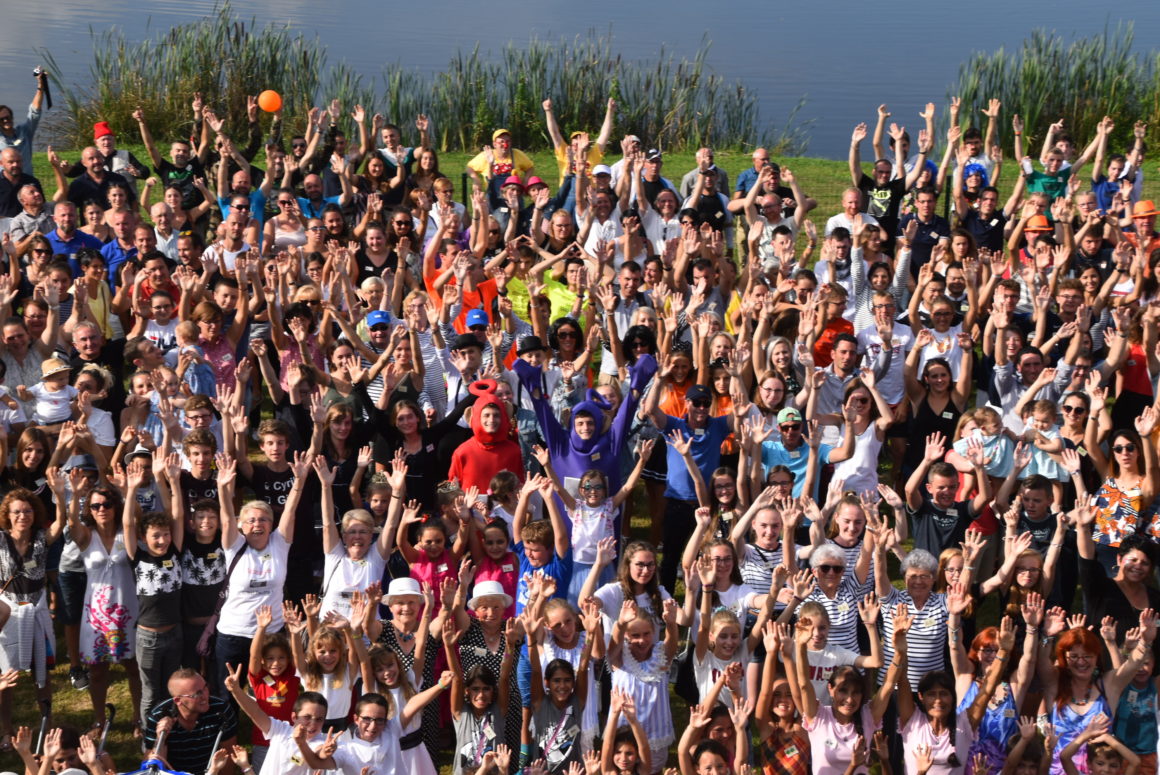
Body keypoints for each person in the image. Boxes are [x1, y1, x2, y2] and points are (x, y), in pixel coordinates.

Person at [143, 668, 239, 775]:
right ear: (178, 700)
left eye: (205, 687)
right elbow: (150, 767)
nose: (205, 696)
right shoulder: (159, 716)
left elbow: (228, 754)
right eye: (197, 694)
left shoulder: (221, 710)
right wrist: (160, 739)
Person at [0, 71, 48, 172]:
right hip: (4, 180)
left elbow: (35, 111)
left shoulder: (25, 131)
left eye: (8, 117)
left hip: (26, 178)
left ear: (12, 117)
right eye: (1, 119)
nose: (5, 120)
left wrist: (41, 85)